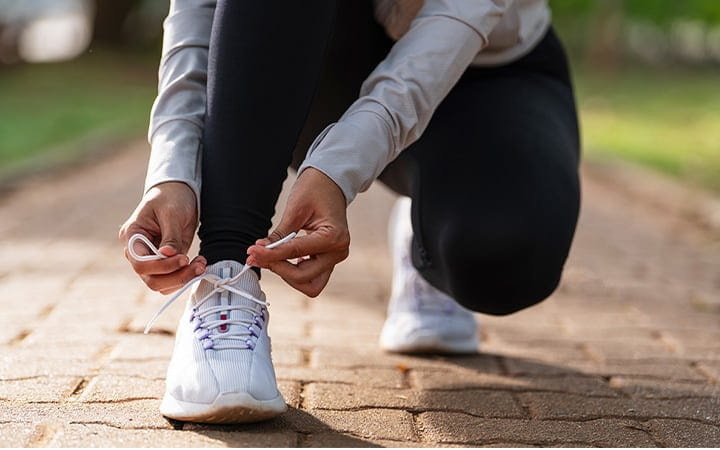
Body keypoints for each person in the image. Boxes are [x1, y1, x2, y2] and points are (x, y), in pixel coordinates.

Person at [119, 0, 580, 424]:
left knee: (504, 254)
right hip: (308, 58)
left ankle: (425, 226)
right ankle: (227, 280)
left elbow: (446, 33)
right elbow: (200, 12)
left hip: (492, 70)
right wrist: (172, 170)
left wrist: (336, 171)